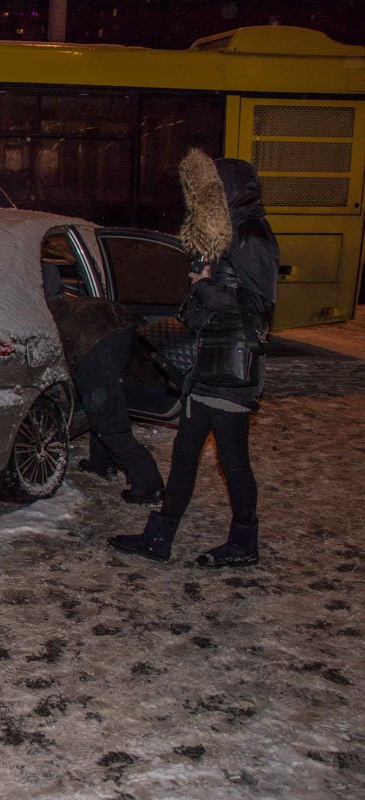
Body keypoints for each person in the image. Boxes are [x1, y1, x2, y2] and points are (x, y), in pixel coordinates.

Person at [109, 149, 278, 568]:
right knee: (185, 454)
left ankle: (244, 543)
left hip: (233, 367)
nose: (201, 201)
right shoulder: (225, 236)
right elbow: (215, 301)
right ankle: (159, 537)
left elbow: (257, 306)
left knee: (233, 461)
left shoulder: (253, 235)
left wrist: (204, 286)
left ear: (229, 193)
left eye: (209, 192)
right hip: (206, 363)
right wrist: (197, 295)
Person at [42, 263, 164, 503]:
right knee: (102, 401)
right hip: (117, 323)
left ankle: (148, 484)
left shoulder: (45, 312)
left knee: (107, 417)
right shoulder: (66, 301)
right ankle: (102, 462)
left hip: (96, 342)